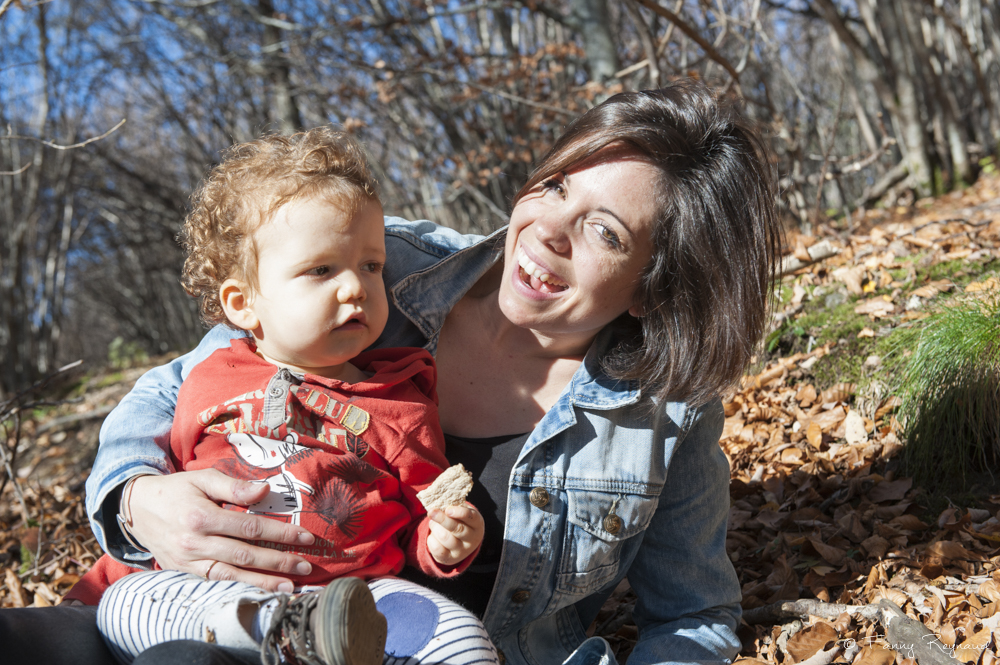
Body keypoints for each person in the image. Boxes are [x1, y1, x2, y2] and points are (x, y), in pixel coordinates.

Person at [0, 80, 781, 665]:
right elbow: (178, 385)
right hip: (195, 594)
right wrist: (138, 499)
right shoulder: (383, 265)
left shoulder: (661, 415)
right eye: (553, 185)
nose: (547, 232)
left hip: (408, 631)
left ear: (653, 285)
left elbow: (694, 615)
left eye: (604, 231)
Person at [69, 127, 494, 665]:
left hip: (357, 598)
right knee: (124, 605)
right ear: (243, 303)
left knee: (462, 640)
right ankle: (280, 631)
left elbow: (421, 512)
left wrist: (445, 539)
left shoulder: (400, 401)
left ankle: (321, 634)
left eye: (371, 266)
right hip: (220, 593)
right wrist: (97, 583)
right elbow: (168, 489)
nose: (354, 287)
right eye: (321, 269)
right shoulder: (208, 379)